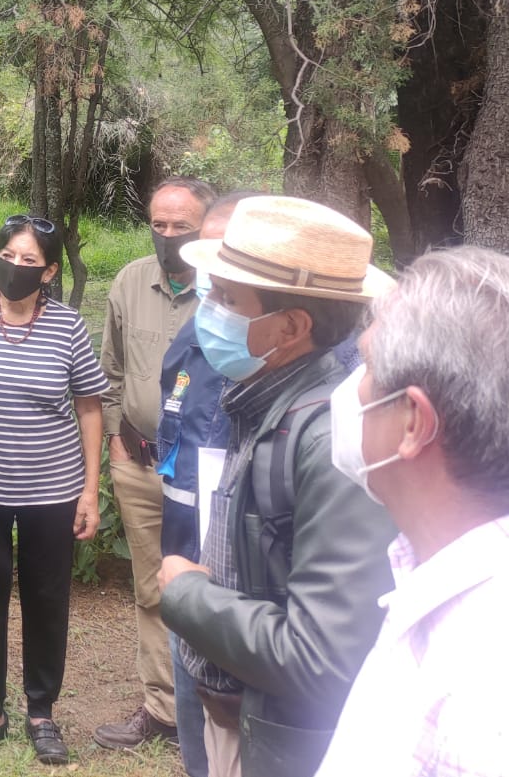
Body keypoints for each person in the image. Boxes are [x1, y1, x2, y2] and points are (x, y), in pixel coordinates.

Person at [160, 196, 397, 777]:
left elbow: (320, 654)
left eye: (226, 298)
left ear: (290, 327)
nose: (206, 309)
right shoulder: (263, 402)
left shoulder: (328, 441)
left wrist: (187, 594)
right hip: (237, 714)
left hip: (276, 738)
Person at [316, 246, 509, 777]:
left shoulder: (501, 701)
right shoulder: (447, 581)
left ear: (414, 420)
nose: (351, 390)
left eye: (366, 365)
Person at [0, 214, 107, 765]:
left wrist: (90, 491)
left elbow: (90, 405)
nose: (15, 268)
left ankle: (41, 711)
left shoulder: (67, 326)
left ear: (50, 272)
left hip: (52, 488)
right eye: (8, 256)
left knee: (46, 598)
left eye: (29, 262)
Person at [93, 175, 214, 750]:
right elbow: (110, 369)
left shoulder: (227, 290)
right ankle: (163, 708)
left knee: (210, 586)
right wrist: (116, 437)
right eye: (159, 225)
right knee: (151, 587)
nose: (168, 237)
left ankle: (212, 711)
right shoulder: (130, 280)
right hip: (139, 463)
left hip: (207, 472)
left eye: (181, 227)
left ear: (206, 229)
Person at [152, 191, 256, 777]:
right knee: (201, 739)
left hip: (249, 601)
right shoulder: (199, 332)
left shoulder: (319, 393)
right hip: (187, 557)